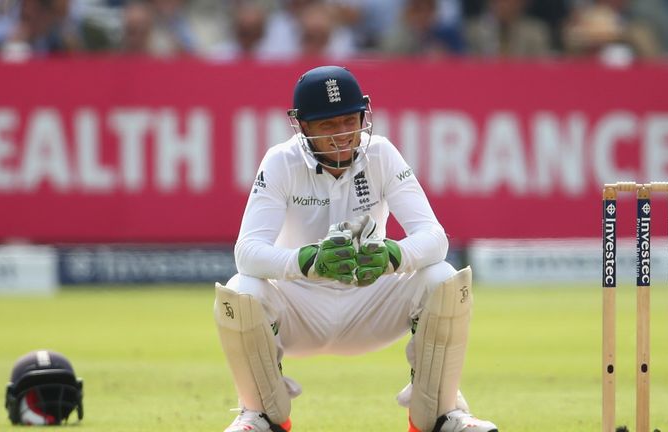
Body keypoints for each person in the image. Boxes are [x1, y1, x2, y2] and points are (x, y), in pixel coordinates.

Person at [213, 65, 498, 432]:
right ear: (302, 126)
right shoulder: (281, 161)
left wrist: (393, 256)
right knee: (240, 291)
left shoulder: (380, 154)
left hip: (371, 301)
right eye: (327, 126)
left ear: (364, 115)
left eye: (349, 120)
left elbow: (434, 238)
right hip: (300, 309)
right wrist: (308, 261)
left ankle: (440, 416)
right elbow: (247, 252)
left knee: (443, 279)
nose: (342, 135)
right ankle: (261, 416)